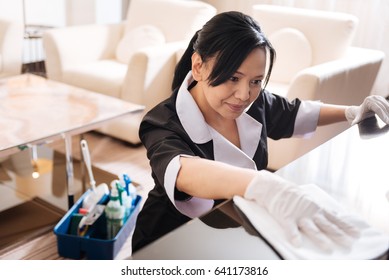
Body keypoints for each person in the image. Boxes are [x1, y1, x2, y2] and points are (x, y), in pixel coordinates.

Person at [131, 11, 389, 253]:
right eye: (233, 77)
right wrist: (264, 185)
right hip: (169, 241)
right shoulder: (161, 121)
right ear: (198, 66)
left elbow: (294, 113)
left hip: (232, 232)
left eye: (256, 81)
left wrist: (351, 112)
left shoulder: (255, 102)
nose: (244, 95)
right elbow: (182, 171)